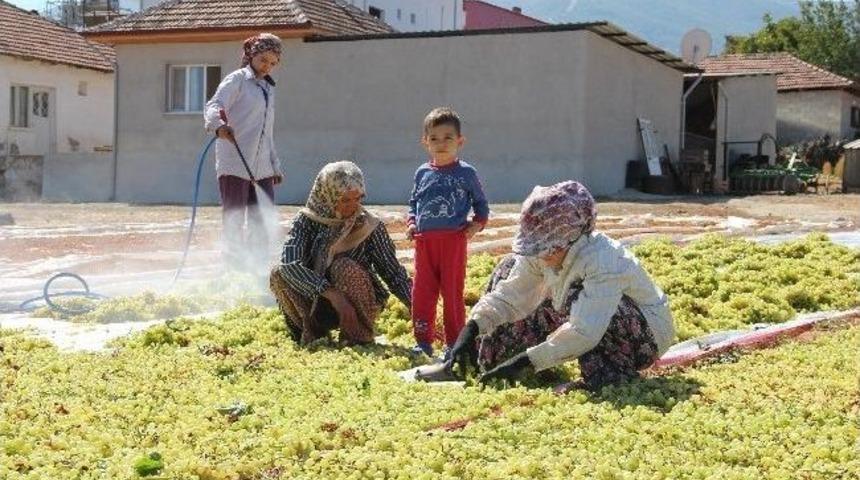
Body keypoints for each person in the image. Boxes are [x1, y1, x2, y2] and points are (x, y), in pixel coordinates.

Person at [445, 180, 675, 390]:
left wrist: (526, 361)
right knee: (509, 267)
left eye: (550, 248)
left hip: (645, 335)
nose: (543, 254)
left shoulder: (603, 261)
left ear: (571, 239)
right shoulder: (543, 253)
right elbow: (511, 294)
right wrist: (471, 329)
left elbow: (585, 330)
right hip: (580, 316)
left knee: (578, 295)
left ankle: (610, 376)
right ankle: (492, 363)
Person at [269, 161, 412, 345]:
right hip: (318, 301)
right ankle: (313, 335)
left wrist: (416, 305)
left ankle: (358, 337)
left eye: (357, 199)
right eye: (345, 200)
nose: (352, 206)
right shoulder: (306, 221)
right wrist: (332, 294)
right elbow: (289, 265)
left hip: (359, 303)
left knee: (343, 266)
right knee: (278, 273)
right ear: (327, 196)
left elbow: (393, 272)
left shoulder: (368, 225)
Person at [407, 107, 489, 358]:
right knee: (422, 292)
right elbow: (414, 202)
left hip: (453, 244)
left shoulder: (466, 173)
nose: (441, 143)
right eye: (434, 138)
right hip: (424, 245)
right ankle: (423, 340)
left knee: (452, 293)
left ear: (460, 141)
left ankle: (453, 342)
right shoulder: (422, 173)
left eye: (448, 138)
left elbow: (481, 204)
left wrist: (478, 224)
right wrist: (411, 222)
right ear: (425, 142)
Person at [204, 33, 284, 268]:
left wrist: (275, 165)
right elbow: (215, 105)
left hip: (262, 168)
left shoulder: (268, 88)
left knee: (261, 221)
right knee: (234, 220)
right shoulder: (237, 80)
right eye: (263, 60)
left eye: (272, 63)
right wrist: (219, 126)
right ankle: (233, 270)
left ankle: (257, 270)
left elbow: (267, 132)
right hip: (235, 163)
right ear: (251, 55)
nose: (267, 66)